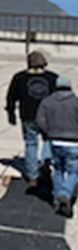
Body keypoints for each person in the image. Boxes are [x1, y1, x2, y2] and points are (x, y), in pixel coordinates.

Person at [6, 51, 58, 185]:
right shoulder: (53, 78)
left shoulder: (19, 78)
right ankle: (46, 163)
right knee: (48, 140)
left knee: (31, 143)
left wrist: (11, 113)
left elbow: (11, 97)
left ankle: (32, 175)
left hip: (28, 115)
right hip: (47, 116)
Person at [36, 76, 78, 217]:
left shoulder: (47, 102)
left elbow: (40, 120)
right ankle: (65, 194)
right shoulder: (76, 102)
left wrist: (48, 132)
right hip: (73, 142)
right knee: (73, 172)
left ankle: (57, 200)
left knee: (58, 169)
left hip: (55, 141)